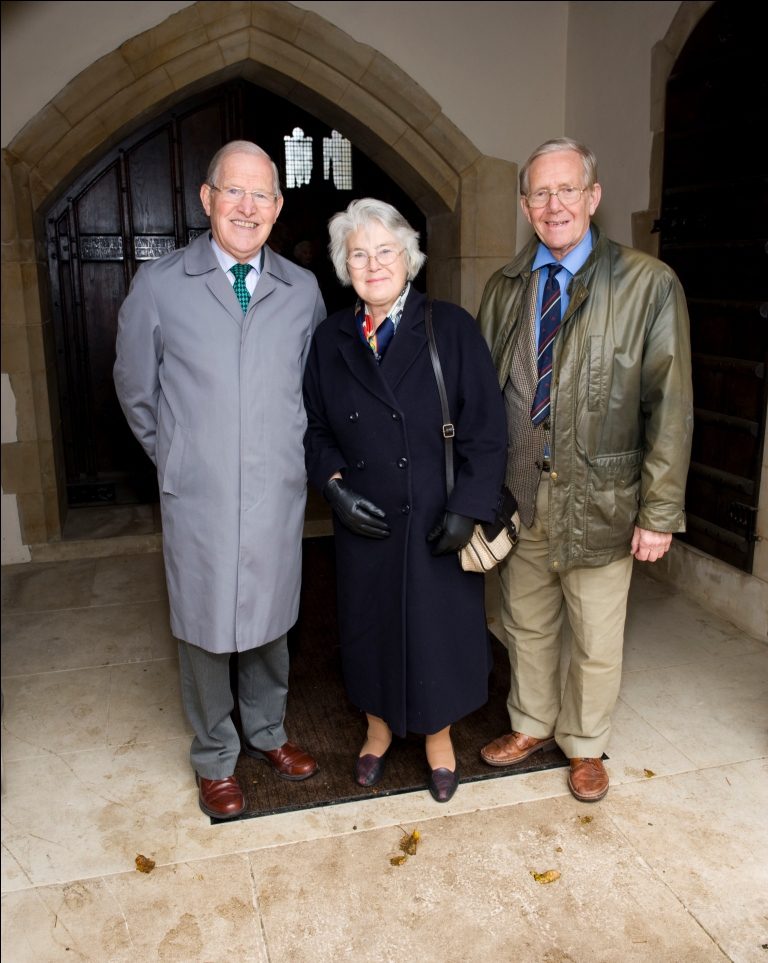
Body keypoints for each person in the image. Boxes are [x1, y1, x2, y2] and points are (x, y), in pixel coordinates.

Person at [114, 140, 326, 819]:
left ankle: (268, 731)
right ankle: (213, 754)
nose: (247, 207)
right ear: (207, 199)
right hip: (198, 494)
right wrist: (179, 455)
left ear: (278, 207)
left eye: (261, 194)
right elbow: (136, 389)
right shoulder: (160, 285)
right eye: (233, 191)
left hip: (276, 489)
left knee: (270, 613)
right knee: (203, 621)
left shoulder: (302, 291)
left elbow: (314, 390)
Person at [476, 138, 693, 802]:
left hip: (602, 497)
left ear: (593, 197)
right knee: (526, 622)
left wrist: (659, 512)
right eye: (540, 193)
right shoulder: (506, 286)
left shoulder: (647, 284)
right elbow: (481, 393)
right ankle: (531, 724)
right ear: (525, 206)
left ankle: (586, 744)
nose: (555, 205)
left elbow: (670, 404)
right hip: (519, 491)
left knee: (597, 634)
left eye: (567, 189)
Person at [303, 198, 507, 803]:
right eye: (358, 255)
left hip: (437, 517)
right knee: (369, 628)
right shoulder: (330, 338)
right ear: (343, 266)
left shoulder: (451, 327)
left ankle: (439, 736)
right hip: (366, 518)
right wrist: (334, 488)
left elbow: (487, 429)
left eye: (384, 251)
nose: (373, 265)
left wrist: (468, 507)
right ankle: (377, 728)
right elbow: (314, 427)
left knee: (435, 631)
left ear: (409, 257)